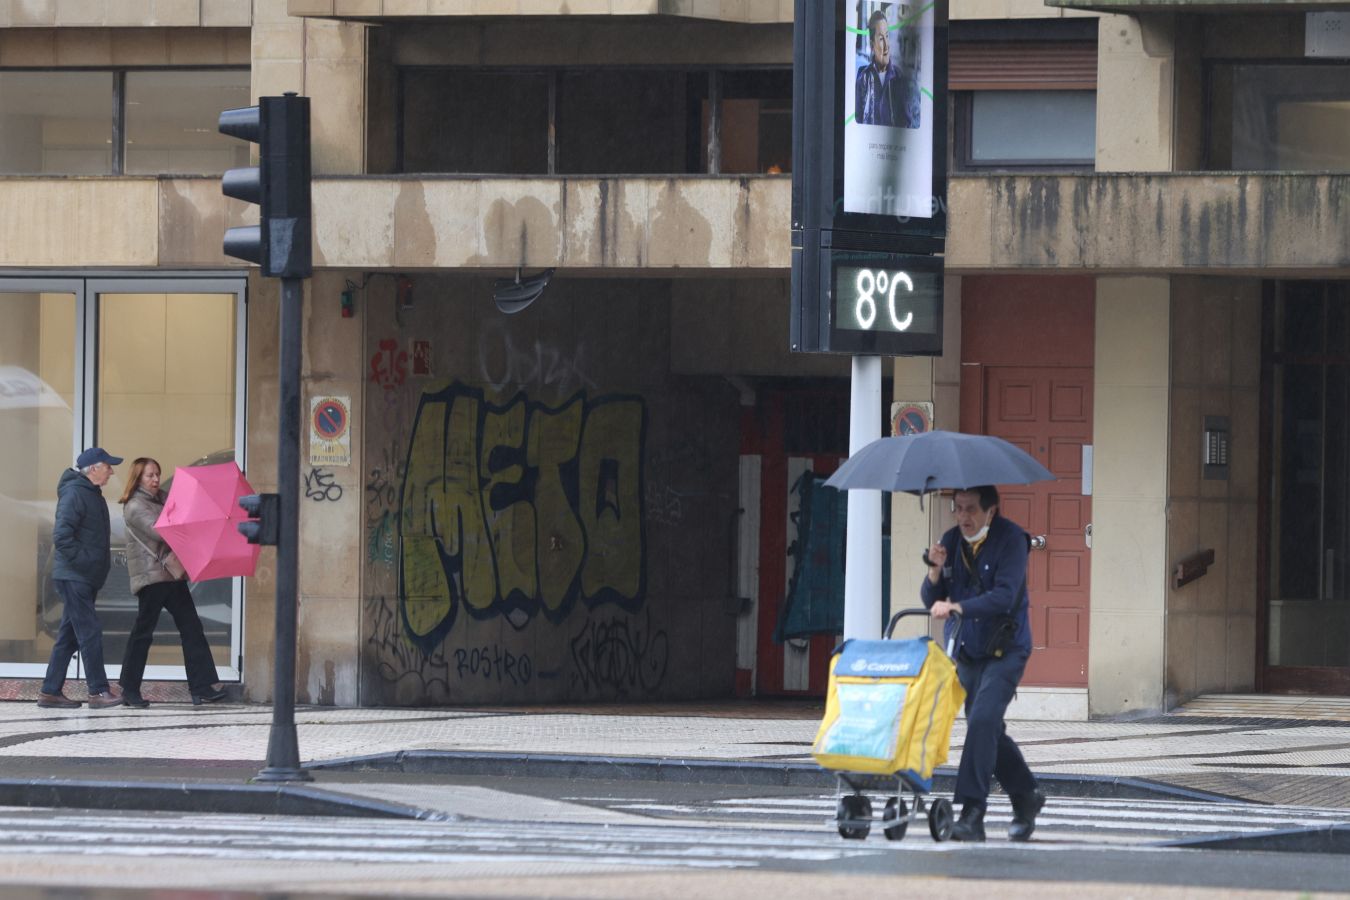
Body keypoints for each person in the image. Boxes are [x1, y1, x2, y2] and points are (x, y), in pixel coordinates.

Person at [921, 485, 1045, 842]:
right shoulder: (950, 541)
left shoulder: (1012, 540)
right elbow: (932, 599)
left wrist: (958, 607)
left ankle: (971, 813)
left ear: (991, 511)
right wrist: (934, 572)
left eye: (971, 509)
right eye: (958, 508)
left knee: (983, 720)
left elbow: (1005, 595)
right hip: (968, 651)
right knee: (986, 727)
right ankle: (1026, 795)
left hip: (1006, 650)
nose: (963, 516)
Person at [117, 458, 227, 707]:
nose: (156, 479)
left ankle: (202, 686)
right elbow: (161, 532)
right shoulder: (134, 506)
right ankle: (129, 689)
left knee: (192, 628)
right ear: (138, 478)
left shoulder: (163, 499)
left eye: (157, 474)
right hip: (151, 577)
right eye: (150, 475)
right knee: (143, 633)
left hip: (172, 575)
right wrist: (182, 519)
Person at [38, 448, 125, 710]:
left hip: (83, 576)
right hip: (74, 576)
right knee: (89, 632)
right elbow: (62, 537)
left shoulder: (90, 493)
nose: (111, 471)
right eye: (108, 466)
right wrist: (86, 561)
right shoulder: (75, 493)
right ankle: (98, 691)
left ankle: (50, 691)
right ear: (93, 469)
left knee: (69, 636)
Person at [854, 10, 919, 128]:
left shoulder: (899, 80)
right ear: (872, 45)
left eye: (887, 36)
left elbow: (908, 126)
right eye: (880, 39)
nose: (886, 45)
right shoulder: (863, 79)